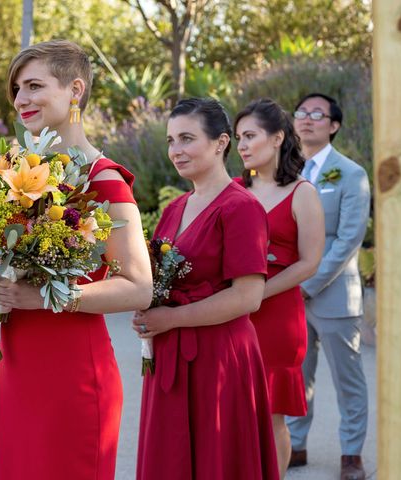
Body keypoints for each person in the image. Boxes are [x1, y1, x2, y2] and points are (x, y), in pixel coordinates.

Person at [0, 40, 153, 479]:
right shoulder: (12, 175)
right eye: (16, 88)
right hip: (18, 375)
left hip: (72, 378)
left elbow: (138, 286)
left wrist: (43, 297)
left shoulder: (104, 182)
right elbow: (9, 268)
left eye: (33, 85)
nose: (21, 98)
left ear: (75, 90)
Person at [134, 97, 279, 480]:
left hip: (219, 357)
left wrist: (171, 318)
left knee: (219, 461)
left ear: (220, 143)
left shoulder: (241, 207)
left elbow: (248, 296)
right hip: (169, 354)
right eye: (170, 141)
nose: (175, 151)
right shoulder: (175, 207)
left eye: (186, 138)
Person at [234, 98, 324, 478]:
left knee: (271, 419)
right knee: (232, 414)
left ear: (277, 139)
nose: (241, 145)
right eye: (238, 137)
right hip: (232, 315)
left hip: (276, 319)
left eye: (250, 136)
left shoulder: (303, 193)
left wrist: (256, 294)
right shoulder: (233, 190)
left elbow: (309, 262)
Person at [285, 93, 371, 480]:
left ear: (333, 125)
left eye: (317, 114)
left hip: (334, 294)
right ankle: (296, 444)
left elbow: (349, 238)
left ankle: (351, 453)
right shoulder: (285, 171)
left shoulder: (350, 174)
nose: (307, 119)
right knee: (297, 374)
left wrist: (308, 282)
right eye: (301, 112)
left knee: (347, 378)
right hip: (291, 294)